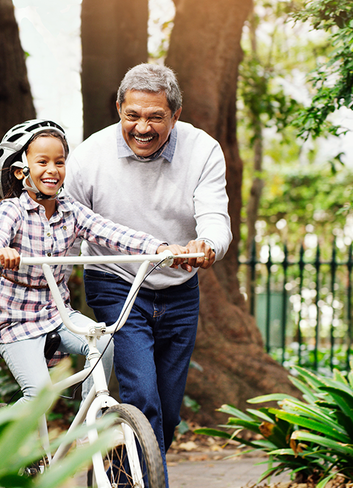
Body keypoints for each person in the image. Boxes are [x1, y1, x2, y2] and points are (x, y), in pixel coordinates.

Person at [64, 63, 232, 482]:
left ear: (175, 114)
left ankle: (121, 472)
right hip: (115, 280)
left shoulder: (203, 149)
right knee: (143, 396)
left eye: (155, 117)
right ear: (118, 107)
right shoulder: (88, 158)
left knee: (168, 414)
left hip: (178, 287)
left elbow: (214, 217)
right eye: (132, 115)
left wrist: (207, 246)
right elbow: (62, 228)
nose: (143, 127)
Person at [0, 118, 188, 405]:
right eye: (42, 162)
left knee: (103, 340)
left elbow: (113, 233)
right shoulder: (12, 211)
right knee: (38, 396)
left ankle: (88, 425)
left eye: (60, 162)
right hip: (17, 319)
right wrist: (1, 252)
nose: (52, 170)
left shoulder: (71, 212)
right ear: (20, 171)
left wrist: (160, 247)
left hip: (57, 314)